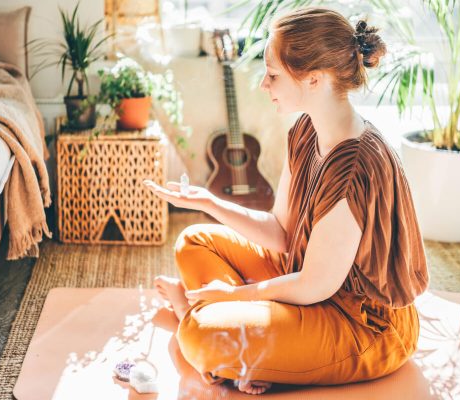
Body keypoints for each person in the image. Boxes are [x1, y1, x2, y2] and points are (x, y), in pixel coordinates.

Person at [143, 6, 429, 395]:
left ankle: (197, 321)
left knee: (198, 338)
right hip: (306, 278)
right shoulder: (305, 132)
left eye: (273, 74)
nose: (264, 84)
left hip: (361, 326)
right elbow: (281, 232)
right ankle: (235, 341)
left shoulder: (356, 168)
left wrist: (235, 295)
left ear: (314, 79)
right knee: (195, 239)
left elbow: (313, 286)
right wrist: (208, 201)